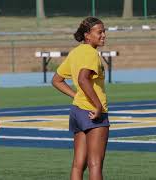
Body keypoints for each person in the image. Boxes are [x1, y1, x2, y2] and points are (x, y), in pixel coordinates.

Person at [52, 17, 110, 180]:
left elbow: (56, 80)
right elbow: (83, 79)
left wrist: (76, 95)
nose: (104, 35)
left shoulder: (76, 52)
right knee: (95, 164)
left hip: (77, 111)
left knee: (78, 165)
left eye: (104, 31)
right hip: (93, 113)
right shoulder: (91, 53)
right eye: (99, 32)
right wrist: (97, 106)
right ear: (87, 35)